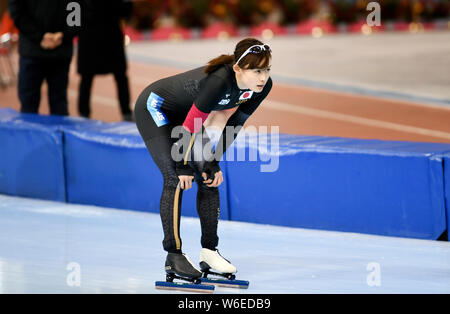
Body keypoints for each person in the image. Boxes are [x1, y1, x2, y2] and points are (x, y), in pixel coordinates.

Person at [134, 38, 272, 280]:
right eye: (257, 70)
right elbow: (190, 126)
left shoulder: (263, 87)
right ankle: (173, 255)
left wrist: (213, 162)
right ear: (238, 69)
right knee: (175, 178)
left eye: (267, 70)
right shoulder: (219, 81)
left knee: (208, 177)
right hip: (157, 109)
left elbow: (233, 124)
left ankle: (209, 251)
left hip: (190, 119)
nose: (263, 77)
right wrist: (183, 165)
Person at [8, 0, 78, 115]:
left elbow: (77, 7)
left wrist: (64, 35)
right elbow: (17, 11)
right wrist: (40, 36)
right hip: (32, 51)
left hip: (59, 53)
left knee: (58, 104)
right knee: (29, 105)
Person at [77, 0, 133, 121]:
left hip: (96, 37)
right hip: (105, 36)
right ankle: (126, 112)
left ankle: (83, 114)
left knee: (87, 78)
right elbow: (125, 11)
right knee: (118, 77)